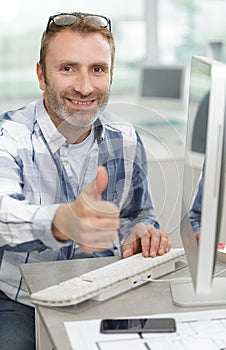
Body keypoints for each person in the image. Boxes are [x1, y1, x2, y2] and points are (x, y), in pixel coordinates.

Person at [0, 12, 172, 349]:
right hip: (20, 302)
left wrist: (141, 232)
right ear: (41, 74)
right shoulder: (10, 135)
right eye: (67, 68)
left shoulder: (126, 139)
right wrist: (59, 222)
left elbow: (140, 213)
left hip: (101, 291)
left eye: (98, 69)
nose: (84, 86)